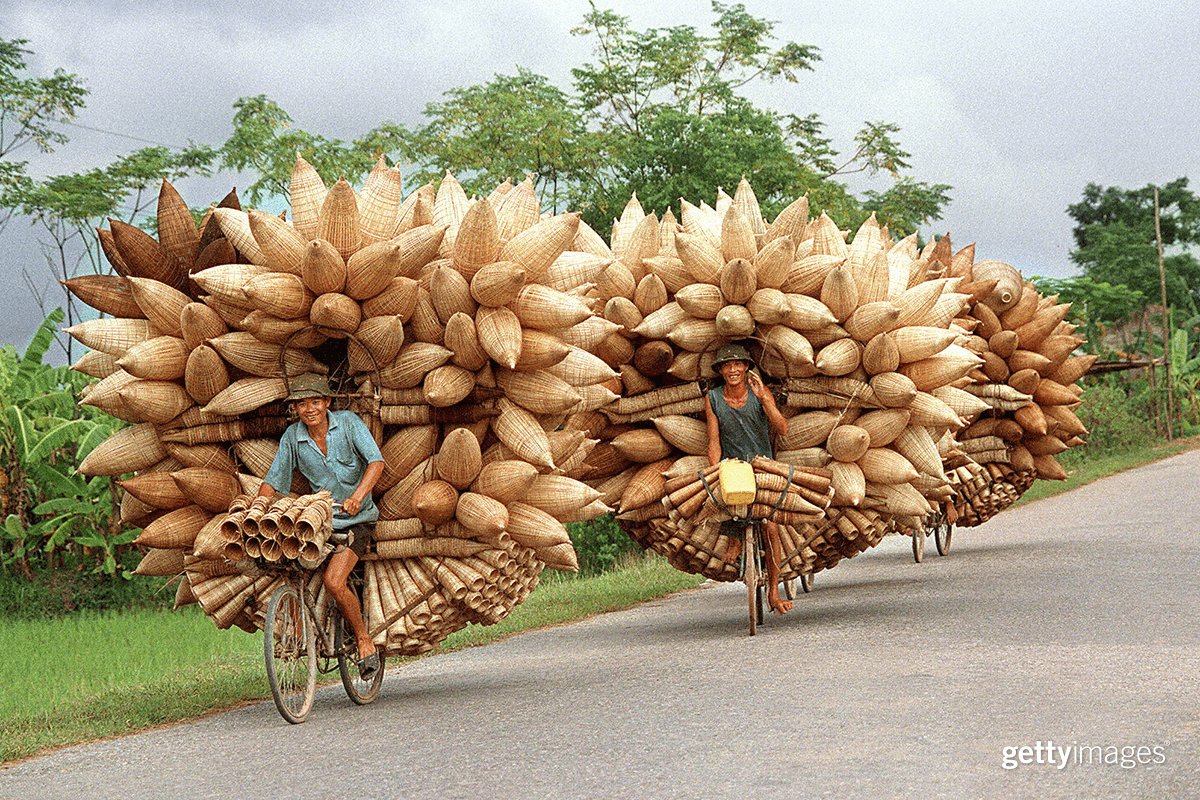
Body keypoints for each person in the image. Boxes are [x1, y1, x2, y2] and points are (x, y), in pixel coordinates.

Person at [258, 374, 386, 679]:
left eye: (315, 401)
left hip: (356, 521)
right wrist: (255, 511)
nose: (309, 409)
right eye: (302, 404)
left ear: (326, 402)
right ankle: (303, 636)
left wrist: (357, 497)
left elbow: (376, 463)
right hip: (320, 521)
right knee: (285, 568)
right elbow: (274, 481)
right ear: (296, 409)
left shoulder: (349, 423)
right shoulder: (293, 437)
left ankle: (364, 640)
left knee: (333, 581)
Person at [703, 344, 792, 614]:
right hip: (733, 466)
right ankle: (735, 538)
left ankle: (774, 592)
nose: (732, 369)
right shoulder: (713, 398)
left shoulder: (760, 395)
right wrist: (715, 470)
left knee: (772, 528)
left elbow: (783, 428)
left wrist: (764, 399)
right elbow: (714, 440)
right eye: (727, 366)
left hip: (763, 465)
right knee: (727, 500)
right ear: (720, 371)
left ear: (746, 368)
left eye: (737, 365)